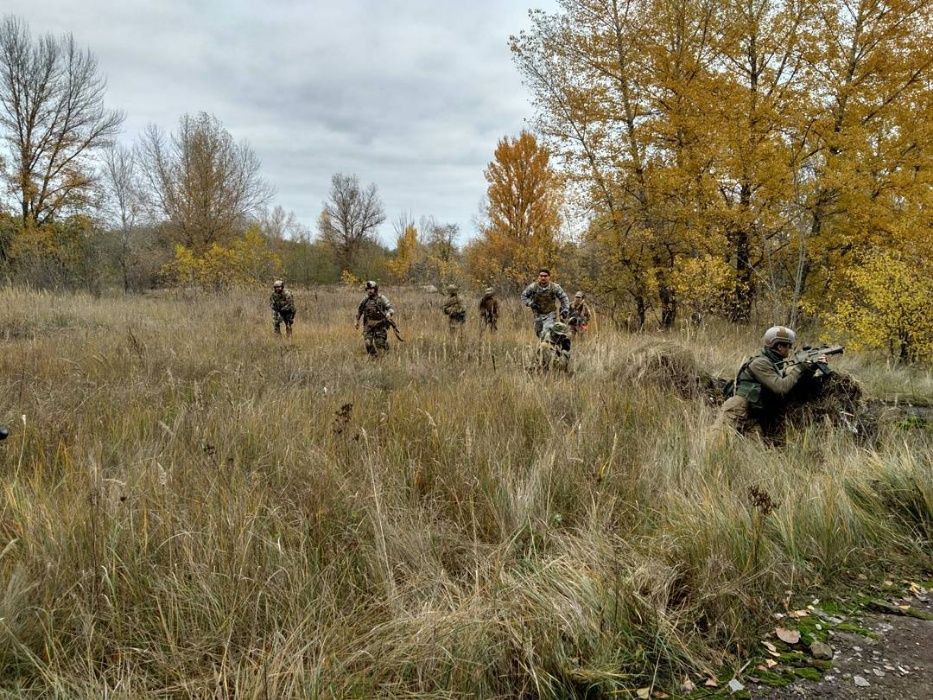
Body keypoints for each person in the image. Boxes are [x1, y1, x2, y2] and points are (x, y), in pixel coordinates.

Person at [714, 325, 828, 438]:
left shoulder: (774, 364)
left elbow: (792, 385)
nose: (790, 349)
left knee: (755, 453)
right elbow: (781, 387)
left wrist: (811, 367)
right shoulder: (760, 363)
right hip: (737, 410)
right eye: (788, 346)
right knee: (716, 443)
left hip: (753, 415)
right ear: (779, 346)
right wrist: (800, 368)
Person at [521, 268, 570, 338]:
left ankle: (548, 347)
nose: (543, 278)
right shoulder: (533, 287)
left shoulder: (555, 287)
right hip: (538, 315)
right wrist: (530, 303)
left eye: (545, 276)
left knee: (547, 331)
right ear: (538, 277)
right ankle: (548, 345)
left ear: (549, 277)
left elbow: (564, 298)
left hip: (550, 314)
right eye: (541, 276)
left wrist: (565, 309)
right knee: (539, 333)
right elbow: (524, 296)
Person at [355, 281, 395, 357]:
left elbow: (391, 308)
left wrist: (388, 314)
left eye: (371, 289)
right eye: (368, 289)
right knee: (367, 343)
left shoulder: (382, 298)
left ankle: (385, 348)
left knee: (379, 344)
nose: (369, 291)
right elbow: (359, 311)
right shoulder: (365, 300)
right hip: (368, 326)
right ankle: (374, 357)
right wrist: (357, 322)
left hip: (380, 325)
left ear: (375, 289)